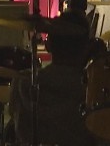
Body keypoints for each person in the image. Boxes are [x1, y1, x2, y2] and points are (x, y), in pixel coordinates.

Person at [8, 11, 95, 146]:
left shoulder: (23, 82)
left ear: (48, 45)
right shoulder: (92, 90)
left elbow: (17, 127)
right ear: (87, 48)